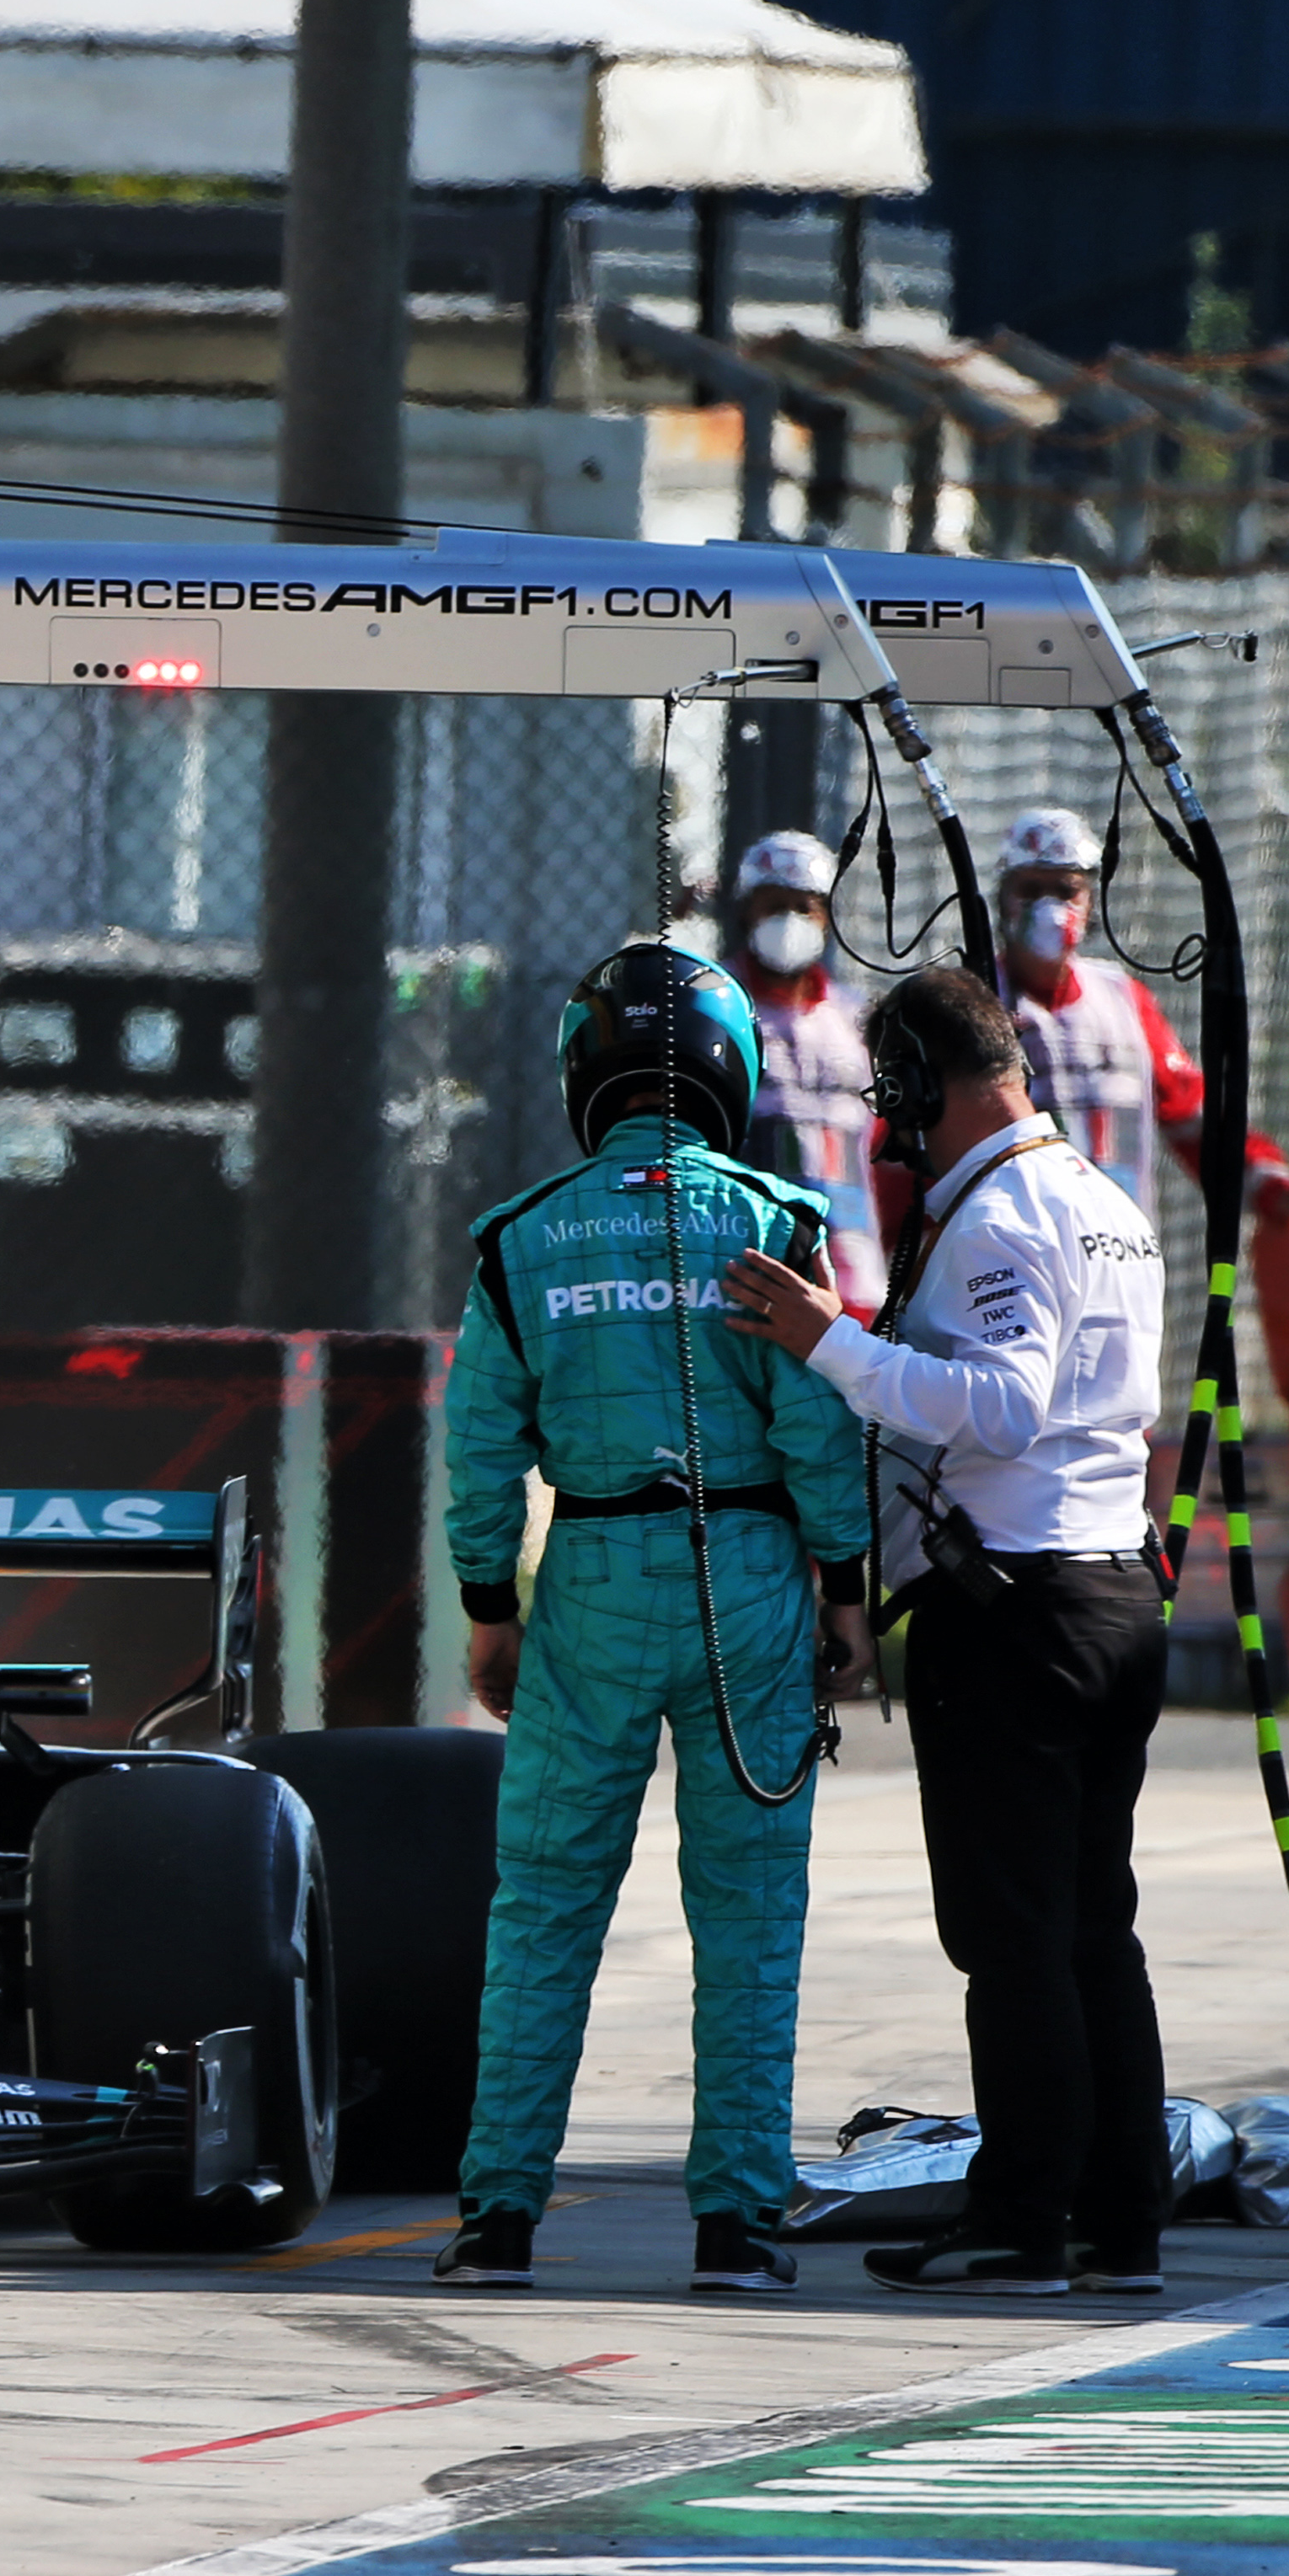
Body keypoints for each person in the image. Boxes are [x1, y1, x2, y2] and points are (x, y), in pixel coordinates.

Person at [729, 966, 1177, 2300]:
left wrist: (831, 1343)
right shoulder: (1104, 1199)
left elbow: (1001, 1405)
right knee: (1096, 1927)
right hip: (1108, 1596)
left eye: (895, 1096)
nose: (890, 1127)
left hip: (1017, 1613)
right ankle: (1120, 2222)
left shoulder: (1002, 1216)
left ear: (929, 1081)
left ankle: (1024, 2221)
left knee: (1013, 1935)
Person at [435, 944, 874, 2299]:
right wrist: (843, 1593)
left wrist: (490, 1610)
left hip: (590, 1576)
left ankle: (495, 2221)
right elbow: (820, 1428)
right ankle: (736, 2228)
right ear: (732, 1071)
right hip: (745, 1571)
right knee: (749, 1911)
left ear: (586, 1071)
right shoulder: (775, 1221)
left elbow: (477, 1453)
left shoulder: (519, 1237)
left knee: (547, 1910)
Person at [987, 808, 1289, 1228]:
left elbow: (1192, 1115)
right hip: (1014, 1255)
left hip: (1120, 1252)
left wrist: (1270, 1187)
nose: (1050, 908)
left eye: (1066, 891)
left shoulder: (1121, 999)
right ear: (1002, 898)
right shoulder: (972, 1002)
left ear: (1089, 901)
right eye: (1030, 889)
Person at [724, 830, 887, 1313]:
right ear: (746, 910)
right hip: (744, 1277)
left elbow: (883, 1151)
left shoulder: (855, 1020)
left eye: (804, 907)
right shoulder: (717, 1008)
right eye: (774, 905)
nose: (789, 921)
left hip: (853, 1285)